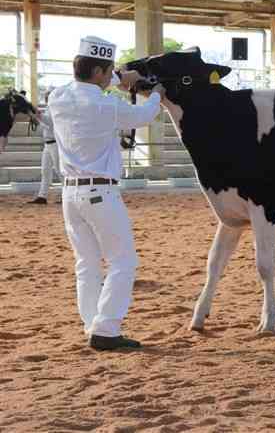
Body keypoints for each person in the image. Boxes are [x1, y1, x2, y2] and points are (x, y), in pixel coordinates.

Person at [48, 35, 163, 351]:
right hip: (101, 193)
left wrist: (119, 78)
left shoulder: (57, 96)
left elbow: (93, 83)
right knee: (122, 262)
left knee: (86, 263)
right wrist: (155, 93)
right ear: (99, 71)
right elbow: (144, 117)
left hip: (70, 195)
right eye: (108, 70)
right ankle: (107, 329)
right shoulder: (106, 104)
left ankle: (92, 325)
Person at [28, 87, 59, 204]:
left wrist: (38, 116)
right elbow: (45, 124)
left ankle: (66, 195)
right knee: (45, 170)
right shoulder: (48, 109)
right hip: (48, 144)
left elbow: (50, 123)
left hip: (55, 144)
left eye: (48, 97)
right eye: (46, 97)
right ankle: (42, 196)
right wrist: (37, 117)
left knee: (59, 170)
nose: (47, 99)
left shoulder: (56, 109)